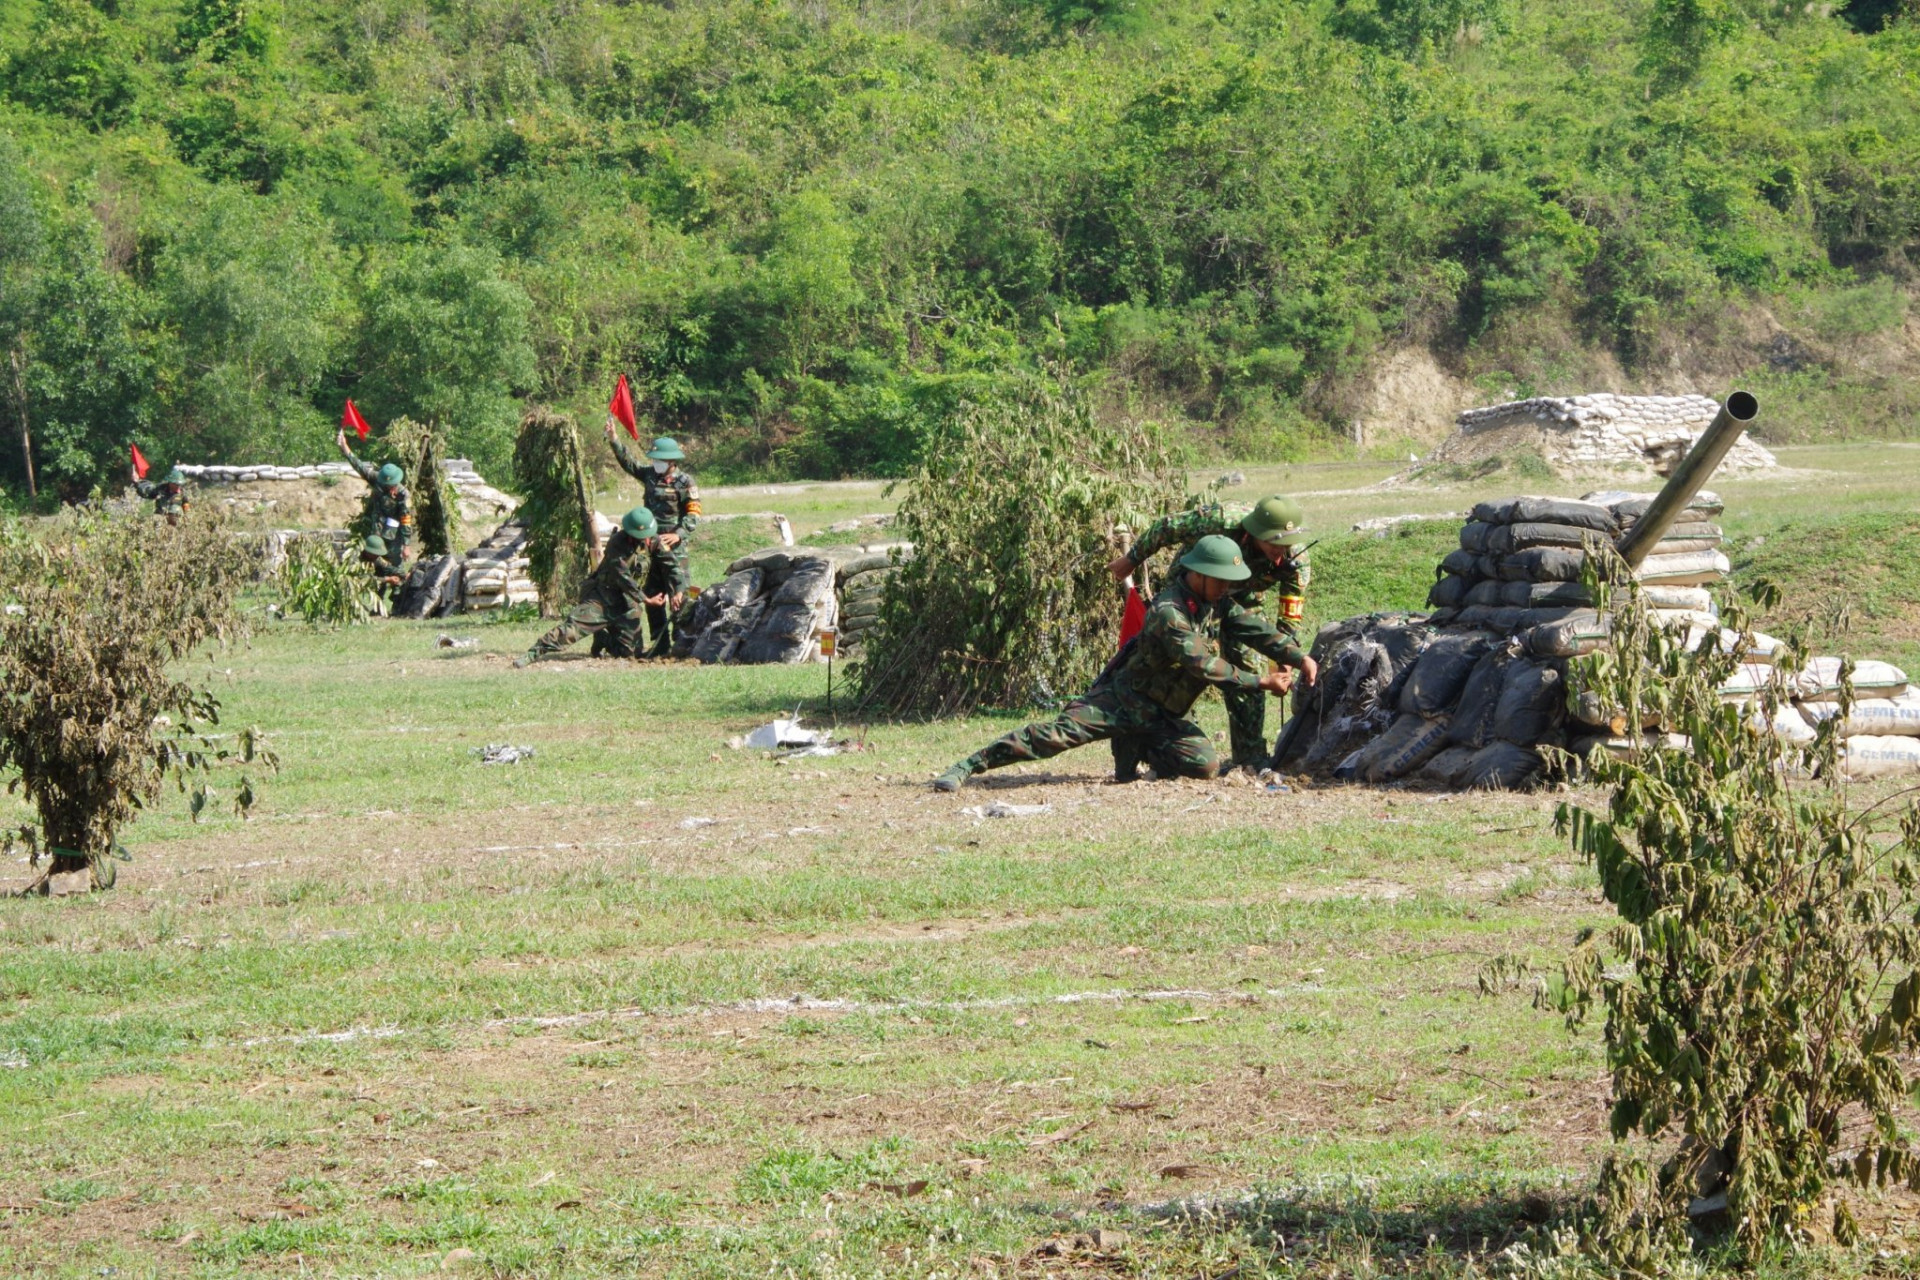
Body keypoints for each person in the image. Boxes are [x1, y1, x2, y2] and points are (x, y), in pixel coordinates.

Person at [931, 535, 1316, 792]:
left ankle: (1139, 747)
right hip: (1122, 701)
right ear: (1197, 575)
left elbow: (1255, 630)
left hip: (1162, 713)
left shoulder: (1215, 604)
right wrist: (1262, 683)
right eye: (1221, 580)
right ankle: (970, 765)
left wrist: (1299, 658)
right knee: (1054, 736)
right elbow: (1203, 665)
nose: (1227, 587)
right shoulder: (1170, 612)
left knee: (1203, 764)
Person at [1108, 495, 1318, 770]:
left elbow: (1290, 612)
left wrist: (1286, 658)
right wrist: (1132, 559)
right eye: (1273, 543)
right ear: (1254, 533)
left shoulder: (1296, 561)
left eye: (1286, 543)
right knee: (1186, 662)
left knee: (1248, 667)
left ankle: (1249, 756)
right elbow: (1167, 527)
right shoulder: (1222, 521)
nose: (1280, 550)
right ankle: (1164, 739)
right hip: (1192, 590)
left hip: (1241, 602)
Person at [514, 507, 665, 667]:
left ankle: (604, 639)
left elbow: (671, 564)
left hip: (627, 605)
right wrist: (646, 599)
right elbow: (623, 577)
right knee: (570, 631)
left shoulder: (652, 542)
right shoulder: (616, 544)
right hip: (601, 598)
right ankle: (533, 653)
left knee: (631, 653)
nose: (643, 539)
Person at [606, 425, 701, 657]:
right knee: (654, 594)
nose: (656, 463)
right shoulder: (649, 475)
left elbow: (693, 513)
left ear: (671, 461)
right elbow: (629, 464)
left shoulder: (685, 483)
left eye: (661, 460)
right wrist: (614, 440)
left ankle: (682, 642)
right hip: (649, 546)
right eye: (655, 459)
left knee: (680, 594)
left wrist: (679, 533)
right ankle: (660, 645)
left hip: (674, 548)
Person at [337, 429, 414, 568]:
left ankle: (396, 587)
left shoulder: (403, 495)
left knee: (394, 566)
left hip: (392, 536)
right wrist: (344, 446)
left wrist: (406, 545)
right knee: (371, 562)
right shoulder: (377, 480)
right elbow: (359, 466)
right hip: (375, 529)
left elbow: (406, 520)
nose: (387, 486)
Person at [358, 534, 406, 599]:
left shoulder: (375, 558)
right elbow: (365, 579)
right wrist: (387, 579)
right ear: (368, 551)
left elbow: (389, 568)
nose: (377, 556)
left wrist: (404, 574)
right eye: (375, 554)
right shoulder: (356, 560)